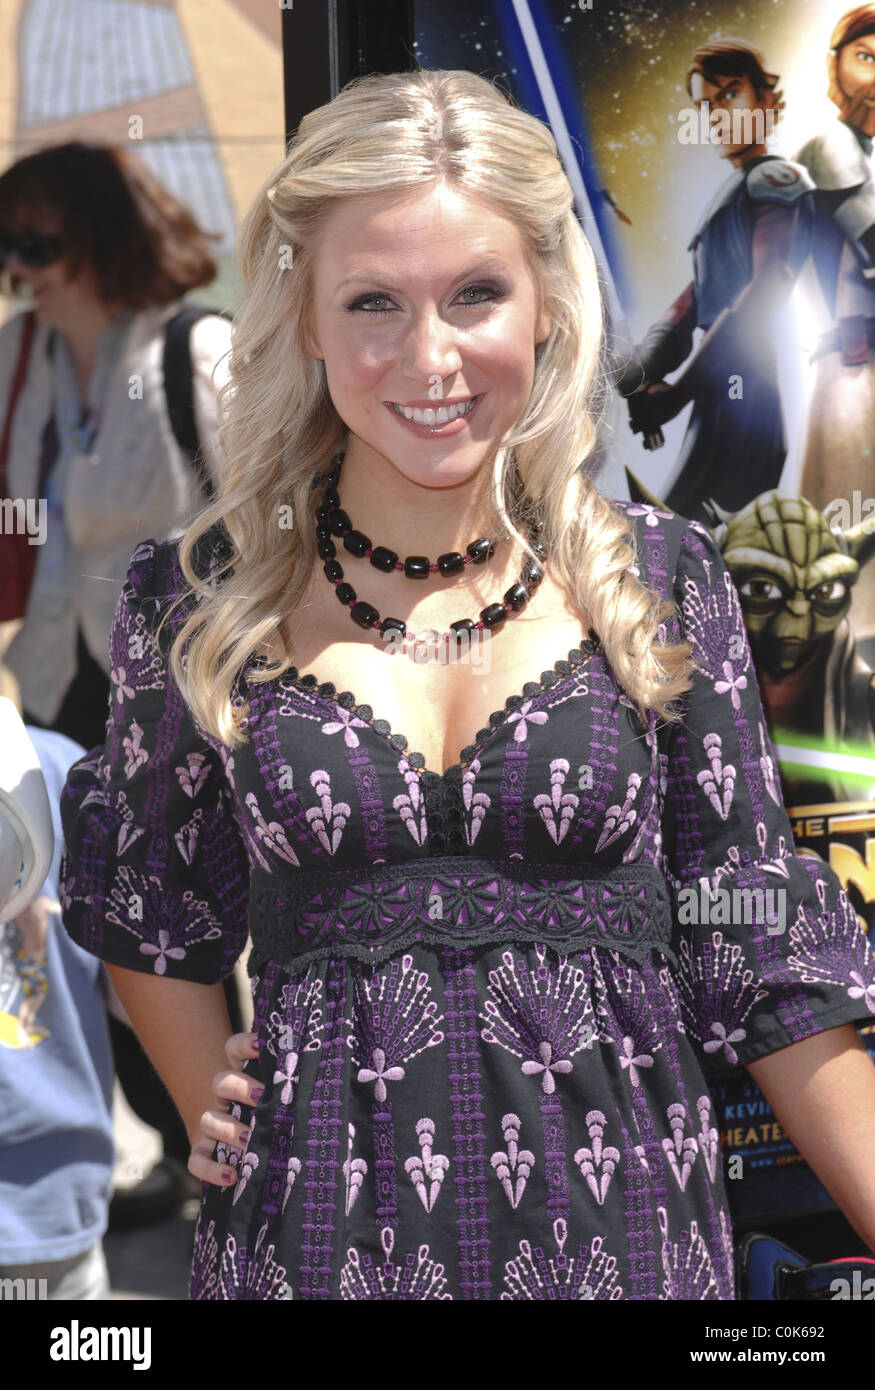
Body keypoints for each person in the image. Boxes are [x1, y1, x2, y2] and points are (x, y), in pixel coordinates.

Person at [59, 68, 875, 1302]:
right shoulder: (195, 599)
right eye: (374, 300)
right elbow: (148, 907)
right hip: (312, 1252)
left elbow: (761, 958)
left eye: (475, 294)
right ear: (306, 317)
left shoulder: (661, 581)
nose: (429, 356)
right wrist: (203, 1108)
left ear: (545, 301)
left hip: (629, 1247)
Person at [0, 140, 242, 1225]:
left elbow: (275, 523)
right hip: (60, 680)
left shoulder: (200, 351)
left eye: (38, 241)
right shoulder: (25, 359)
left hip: (186, 692)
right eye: (5, 244)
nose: (18, 265)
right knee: (86, 939)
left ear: (104, 234)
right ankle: (176, 1146)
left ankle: (229, 1152)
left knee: (179, 935)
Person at [617, 38, 815, 523]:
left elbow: (767, 287)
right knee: (679, 534)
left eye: (730, 94)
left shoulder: (776, 179)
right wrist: (641, 375)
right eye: (707, 105)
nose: (719, 114)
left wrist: (677, 394)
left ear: (765, 98)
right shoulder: (734, 192)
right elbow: (692, 304)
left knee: (694, 534)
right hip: (720, 386)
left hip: (744, 389)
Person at [0, 696, 114, 1299]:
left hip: (53, 1197)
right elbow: (132, 986)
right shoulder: (59, 766)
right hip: (60, 1189)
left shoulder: (55, 769)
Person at [794, 4, 875, 653]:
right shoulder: (832, 146)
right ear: (837, 65)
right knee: (851, 523)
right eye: (866, 59)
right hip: (855, 364)